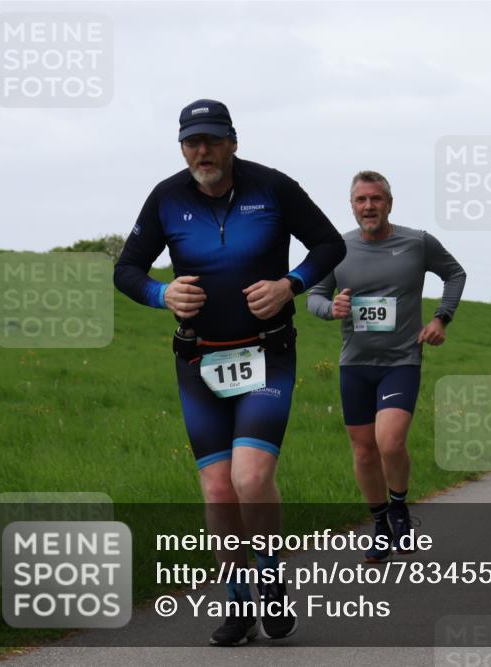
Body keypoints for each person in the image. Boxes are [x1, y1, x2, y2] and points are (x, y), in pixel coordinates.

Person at [114, 99, 346, 646]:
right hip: (199, 360)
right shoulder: (167, 197)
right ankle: (239, 603)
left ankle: (270, 581)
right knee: (219, 490)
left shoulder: (273, 187)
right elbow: (126, 269)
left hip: (267, 355)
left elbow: (329, 244)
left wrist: (289, 284)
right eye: (192, 142)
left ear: (232, 142)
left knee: (251, 478)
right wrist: (161, 294)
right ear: (182, 148)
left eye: (213, 141)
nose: (203, 151)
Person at [307, 170, 466, 562]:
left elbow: (455, 274)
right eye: (361, 200)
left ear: (389, 203)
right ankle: (380, 525)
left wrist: (441, 318)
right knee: (363, 451)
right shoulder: (337, 248)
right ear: (351, 206)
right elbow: (314, 296)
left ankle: (399, 509)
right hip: (355, 364)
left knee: (390, 441)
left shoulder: (417, 242)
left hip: (401, 361)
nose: (369, 206)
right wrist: (331, 308)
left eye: (376, 199)